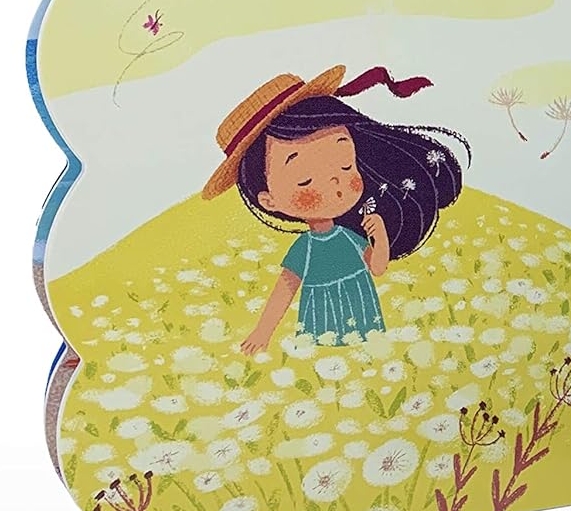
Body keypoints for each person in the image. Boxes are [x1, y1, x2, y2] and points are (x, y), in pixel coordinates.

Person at [200, 64, 468, 351]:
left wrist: (380, 238)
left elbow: (377, 268)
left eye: (346, 166)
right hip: (322, 331)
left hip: (364, 326)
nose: (336, 185)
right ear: (269, 201)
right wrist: (263, 332)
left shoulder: (349, 236)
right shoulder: (305, 248)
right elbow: (285, 289)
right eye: (305, 181)